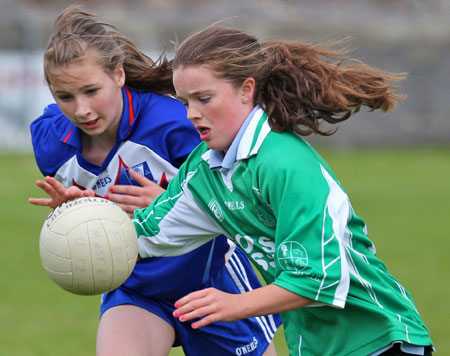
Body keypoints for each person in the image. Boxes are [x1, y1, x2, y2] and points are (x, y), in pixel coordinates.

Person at [128, 27, 433, 356]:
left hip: (380, 338)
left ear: (247, 90)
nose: (191, 114)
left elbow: (318, 277)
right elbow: (146, 235)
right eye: (185, 102)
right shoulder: (204, 170)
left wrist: (235, 304)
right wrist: (77, 221)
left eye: (203, 99)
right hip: (313, 346)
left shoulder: (284, 163)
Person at [28, 7, 281, 356]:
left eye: (91, 91)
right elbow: (94, 222)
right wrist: (72, 214)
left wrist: (171, 203)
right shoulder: (50, 142)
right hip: (136, 288)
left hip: (212, 282)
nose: (81, 110)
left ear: (118, 75)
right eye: (65, 97)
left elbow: (243, 201)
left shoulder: (175, 124)